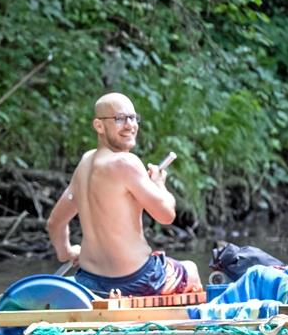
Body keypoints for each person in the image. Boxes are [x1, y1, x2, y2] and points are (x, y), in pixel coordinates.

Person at [46, 92, 201, 297]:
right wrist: (159, 185)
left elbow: (55, 223)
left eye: (133, 118)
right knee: (190, 269)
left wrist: (66, 252)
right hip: (137, 280)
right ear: (99, 126)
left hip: (89, 281)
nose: (130, 125)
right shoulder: (126, 163)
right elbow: (166, 216)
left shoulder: (85, 163)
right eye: (119, 119)